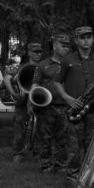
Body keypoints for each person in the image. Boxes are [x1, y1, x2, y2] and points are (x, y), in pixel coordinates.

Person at [54, 26, 94, 186]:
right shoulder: (67, 60)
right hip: (75, 108)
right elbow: (57, 81)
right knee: (73, 145)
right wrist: (67, 98)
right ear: (76, 40)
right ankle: (72, 177)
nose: (86, 40)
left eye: (89, 37)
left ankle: (90, 178)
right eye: (82, 37)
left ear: (92, 39)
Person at [30, 34, 72, 174]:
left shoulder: (71, 64)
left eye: (67, 46)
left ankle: (60, 165)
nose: (66, 48)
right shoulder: (43, 64)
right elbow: (35, 84)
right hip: (46, 107)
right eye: (63, 45)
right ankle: (45, 165)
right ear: (54, 46)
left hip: (64, 106)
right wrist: (32, 101)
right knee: (45, 137)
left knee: (63, 137)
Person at [4, 42, 43, 163]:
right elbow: (6, 78)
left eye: (40, 52)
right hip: (22, 103)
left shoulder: (43, 66)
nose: (38, 54)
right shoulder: (21, 67)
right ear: (29, 53)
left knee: (39, 129)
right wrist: (13, 93)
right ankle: (18, 153)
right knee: (19, 129)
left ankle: (38, 153)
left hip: (38, 101)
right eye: (35, 52)